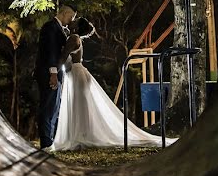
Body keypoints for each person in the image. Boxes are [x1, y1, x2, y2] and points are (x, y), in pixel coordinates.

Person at [50, 17, 177, 151]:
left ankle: (82, 135)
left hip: (76, 74)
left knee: (78, 105)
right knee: (78, 105)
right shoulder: (74, 37)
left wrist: (53, 71)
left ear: (77, 27)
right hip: (75, 73)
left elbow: (63, 56)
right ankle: (81, 134)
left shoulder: (73, 38)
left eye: (75, 22)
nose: (71, 22)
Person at [34, 2, 76, 151]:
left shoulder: (57, 28)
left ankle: (50, 140)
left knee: (54, 106)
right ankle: (45, 142)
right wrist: (53, 73)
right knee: (48, 106)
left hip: (55, 72)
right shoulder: (50, 27)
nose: (71, 20)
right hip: (48, 73)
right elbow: (51, 52)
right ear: (64, 13)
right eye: (71, 17)